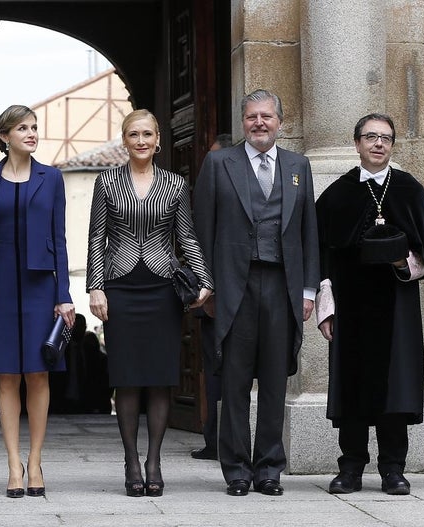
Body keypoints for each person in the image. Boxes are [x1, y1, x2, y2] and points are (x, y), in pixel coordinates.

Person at [315, 113, 424, 495]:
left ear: (392, 145)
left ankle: (393, 469)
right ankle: (351, 468)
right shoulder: (337, 193)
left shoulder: (408, 189)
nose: (378, 144)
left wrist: (403, 262)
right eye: (371, 137)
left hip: (397, 304)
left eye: (386, 138)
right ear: (356, 143)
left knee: (396, 387)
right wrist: (326, 308)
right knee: (352, 388)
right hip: (351, 306)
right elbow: (321, 255)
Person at [193, 89, 319, 497]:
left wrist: (309, 290)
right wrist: (207, 286)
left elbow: (308, 232)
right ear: (243, 122)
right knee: (234, 381)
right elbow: (201, 230)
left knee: (274, 380)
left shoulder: (298, 166)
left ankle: (268, 469)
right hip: (235, 286)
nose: (259, 123)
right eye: (251, 117)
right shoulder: (218, 164)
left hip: (282, 285)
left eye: (266, 116)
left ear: (280, 122)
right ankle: (236, 470)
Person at [86, 109, 212, 497]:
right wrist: (95, 287)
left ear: (158, 140)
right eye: (133, 134)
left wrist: (204, 279)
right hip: (119, 287)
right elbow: (97, 237)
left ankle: (154, 461)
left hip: (162, 289)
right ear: (124, 140)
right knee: (126, 379)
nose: (141, 141)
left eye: (147, 134)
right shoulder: (107, 181)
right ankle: (130, 460)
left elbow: (186, 236)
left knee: (159, 378)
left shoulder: (175, 184)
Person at [0, 105, 75, 498]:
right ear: (4, 136)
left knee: (38, 373)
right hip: (1, 282)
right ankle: (13, 464)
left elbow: (60, 238)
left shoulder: (52, 178)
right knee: (7, 375)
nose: (31, 133)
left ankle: (35, 460)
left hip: (40, 285)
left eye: (34, 127)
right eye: (22, 128)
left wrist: (64, 295)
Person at [191, 133, 234, 462]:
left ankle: (223, 440)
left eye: (214, 158)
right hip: (212, 299)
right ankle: (214, 439)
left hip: (236, 294)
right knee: (213, 371)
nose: (209, 164)